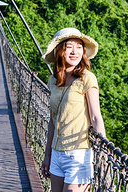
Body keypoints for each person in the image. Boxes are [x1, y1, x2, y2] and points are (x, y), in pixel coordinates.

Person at [40, 27, 106, 192]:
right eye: (69, 47)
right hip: (56, 152)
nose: (74, 51)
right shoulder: (53, 80)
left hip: (78, 153)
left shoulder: (87, 78)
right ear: (59, 50)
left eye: (78, 47)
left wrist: (103, 154)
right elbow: (52, 120)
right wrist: (47, 155)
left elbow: (96, 117)